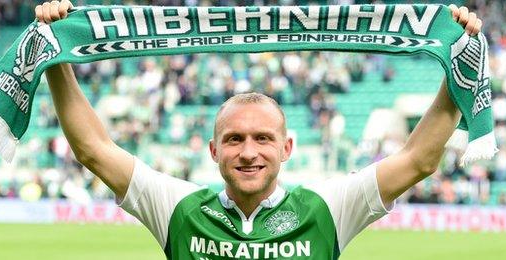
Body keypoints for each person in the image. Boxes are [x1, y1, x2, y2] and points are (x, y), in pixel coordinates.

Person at [36, 1, 482, 259]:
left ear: (287, 147)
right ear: (213, 150)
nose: (249, 151)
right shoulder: (179, 208)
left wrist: (454, 64)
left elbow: (420, 158)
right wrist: (56, 56)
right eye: (234, 139)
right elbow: (93, 149)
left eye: (263, 138)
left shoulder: (328, 207)